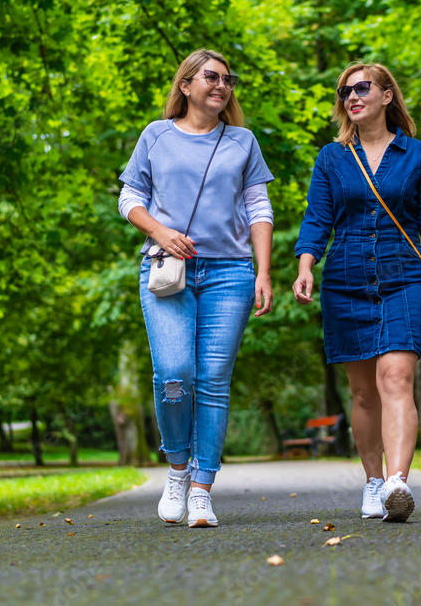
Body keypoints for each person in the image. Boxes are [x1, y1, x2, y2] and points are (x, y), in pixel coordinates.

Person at [118, 48, 275, 528]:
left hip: (230, 273)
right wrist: (159, 231)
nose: (222, 85)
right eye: (211, 77)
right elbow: (129, 196)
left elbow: (258, 207)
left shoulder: (243, 141)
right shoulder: (156, 135)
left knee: (212, 381)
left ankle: (202, 489)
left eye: (228, 79)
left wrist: (264, 272)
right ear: (185, 85)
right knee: (174, 373)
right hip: (168, 269)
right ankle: (177, 468)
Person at [293, 62, 421, 522]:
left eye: (362, 88)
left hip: (405, 277)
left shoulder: (415, 155)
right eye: (345, 91)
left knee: (396, 379)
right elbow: (317, 218)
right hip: (345, 280)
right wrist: (306, 266)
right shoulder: (332, 158)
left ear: (387, 96)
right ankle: (372, 482)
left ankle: (397, 482)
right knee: (364, 393)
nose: (352, 96)